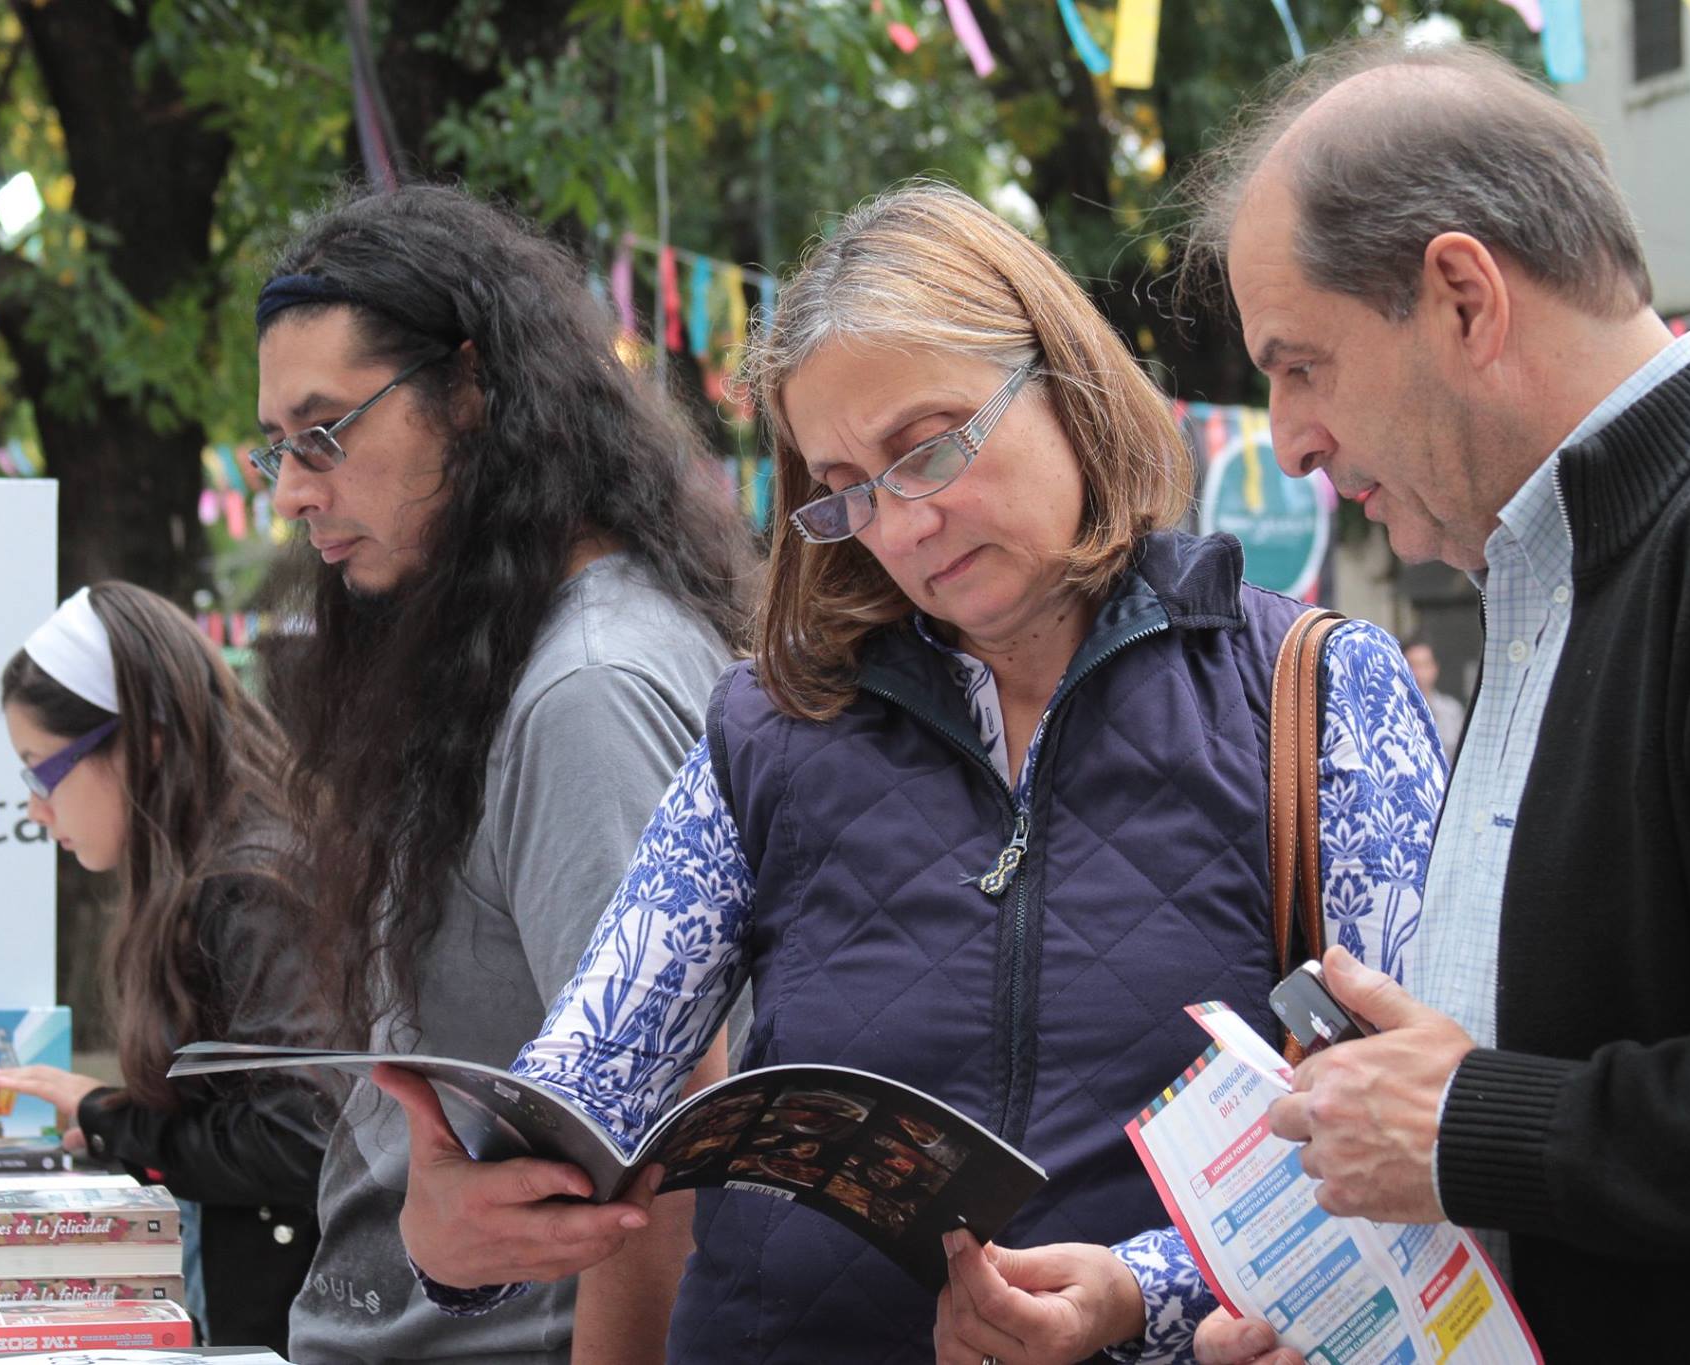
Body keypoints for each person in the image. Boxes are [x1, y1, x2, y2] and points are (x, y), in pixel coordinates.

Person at [377, 182, 1447, 1364]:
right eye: (843, 488)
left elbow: (1405, 1145)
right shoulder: (768, 727)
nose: (902, 523)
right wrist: (461, 1226)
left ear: (1064, 382)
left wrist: (1136, 1297)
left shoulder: (1315, 691)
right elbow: (593, 1063)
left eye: (928, 447)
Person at [1180, 36, 1690, 1365]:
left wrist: (1475, 1121)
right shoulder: (1549, 572)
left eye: (1300, 362)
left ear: (1465, 300)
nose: (1290, 437)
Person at [251, 184, 754, 1365]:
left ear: (471, 395)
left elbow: (664, 1159)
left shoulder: (583, 692)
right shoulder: (522, 646)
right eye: (275, 447)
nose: (292, 491)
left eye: (325, 434)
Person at [0, 582, 329, 1354]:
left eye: (42, 769)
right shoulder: (223, 871)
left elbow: (296, 1139)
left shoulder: (250, 888)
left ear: (141, 740)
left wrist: (114, 1119)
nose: (36, 809)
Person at [1398, 636, 1462, 764]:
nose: (1419, 673)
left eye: (1424, 665)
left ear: (1435, 668)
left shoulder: (1452, 710)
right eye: (1413, 666)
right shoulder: (1394, 712)